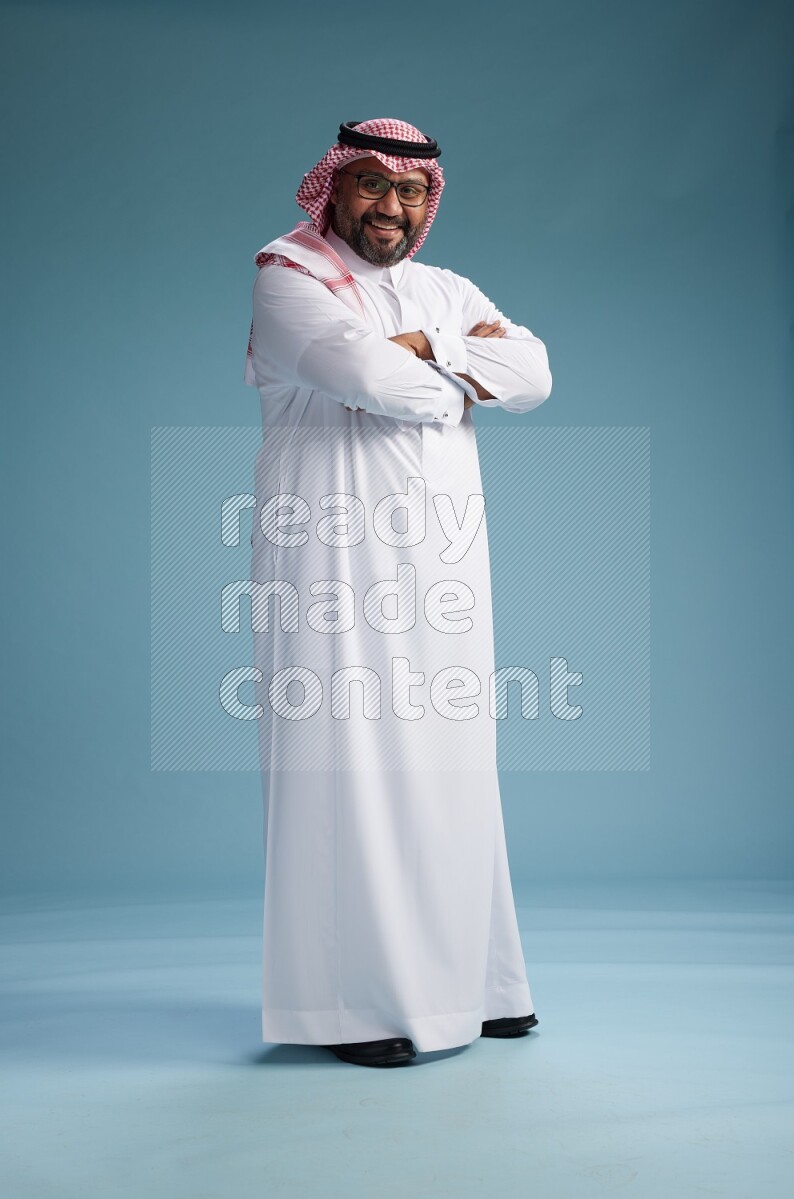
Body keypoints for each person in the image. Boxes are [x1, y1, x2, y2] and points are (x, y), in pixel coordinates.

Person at [244, 118, 552, 1068]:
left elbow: (536, 374)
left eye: (409, 190)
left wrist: (428, 345)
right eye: (371, 184)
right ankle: (351, 1004)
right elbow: (384, 385)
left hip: (444, 559)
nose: (391, 206)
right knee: (352, 767)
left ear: (429, 199)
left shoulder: (444, 289)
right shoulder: (289, 275)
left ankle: (481, 986)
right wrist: (456, 367)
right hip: (331, 561)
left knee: (453, 761)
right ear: (334, 188)